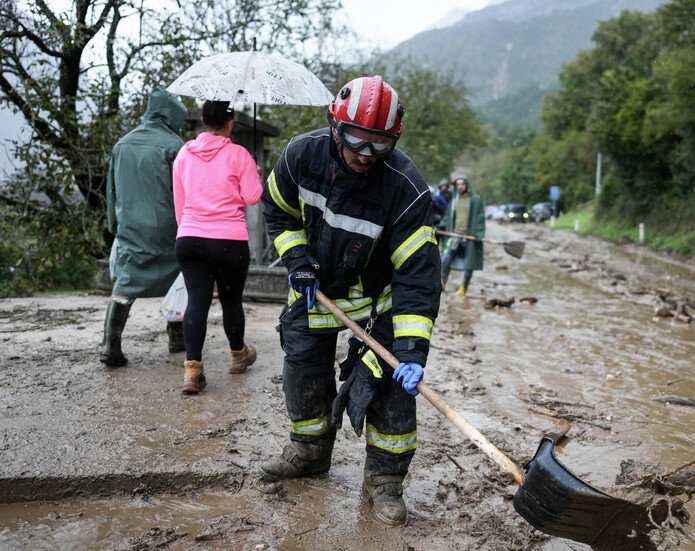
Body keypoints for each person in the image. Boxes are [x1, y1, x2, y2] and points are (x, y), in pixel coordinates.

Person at [258, 75, 441, 526]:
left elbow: (417, 277)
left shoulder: (406, 189)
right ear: (335, 126)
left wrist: (412, 351)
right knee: (302, 365)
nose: (365, 154)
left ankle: (384, 481)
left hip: (378, 299)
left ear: (393, 141)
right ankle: (309, 451)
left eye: (379, 145)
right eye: (356, 139)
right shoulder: (301, 155)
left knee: (392, 382)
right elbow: (276, 209)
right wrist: (297, 259)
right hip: (314, 286)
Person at [171, 100, 263, 394]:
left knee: (196, 301)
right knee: (231, 300)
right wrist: (255, 171)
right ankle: (238, 356)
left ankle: (192, 372)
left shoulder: (183, 154)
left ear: (201, 119)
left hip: (189, 238)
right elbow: (252, 197)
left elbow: (180, 205)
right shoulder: (239, 154)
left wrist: (188, 230)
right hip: (229, 240)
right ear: (230, 123)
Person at [100, 86, 188, 367]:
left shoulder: (122, 144)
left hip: (131, 230)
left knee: (125, 284)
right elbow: (185, 191)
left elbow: (111, 192)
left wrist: (115, 226)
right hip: (170, 231)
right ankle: (177, 337)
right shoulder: (176, 146)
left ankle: (109, 344)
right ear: (172, 116)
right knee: (180, 284)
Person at [437, 175, 485, 297]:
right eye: (457, 184)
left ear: (467, 185)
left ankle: (463, 288)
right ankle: (442, 284)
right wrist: (440, 227)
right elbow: (448, 217)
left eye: (462, 184)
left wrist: (479, 234)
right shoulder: (454, 200)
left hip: (470, 237)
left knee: (469, 264)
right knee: (446, 260)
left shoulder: (475, 200)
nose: (460, 186)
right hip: (455, 236)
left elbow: (480, 218)